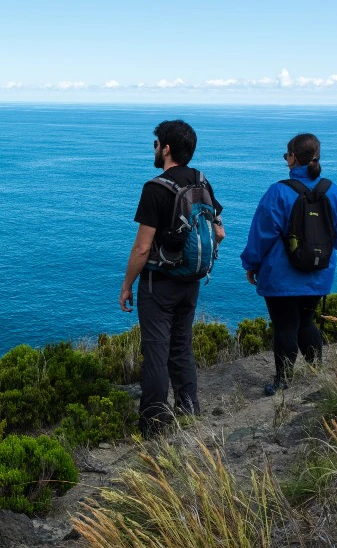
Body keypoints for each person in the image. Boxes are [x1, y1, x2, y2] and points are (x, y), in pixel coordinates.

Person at [119, 120, 225, 437]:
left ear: (165, 149)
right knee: (181, 346)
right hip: (190, 280)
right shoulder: (202, 182)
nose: (153, 149)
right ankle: (189, 410)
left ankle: (153, 425)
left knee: (155, 353)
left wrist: (127, 285)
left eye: (155, 144)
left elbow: (142, 248)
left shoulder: (156, 188)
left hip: (159, 282)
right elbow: (219, 232)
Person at [241, 133, 337, 396]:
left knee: (285, 326)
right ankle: (316, 374)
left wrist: (251, 263)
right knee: (306, 322)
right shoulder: (333, 191)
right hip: (319, 272)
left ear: (293, 158)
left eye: (286, 155)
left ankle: (282, 381)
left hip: (281, 275)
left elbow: (261, 235)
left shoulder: (278, 192)